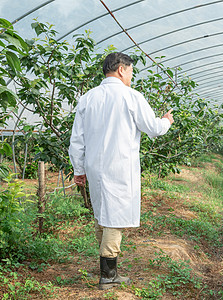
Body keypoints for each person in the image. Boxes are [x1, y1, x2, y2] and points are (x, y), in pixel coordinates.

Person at [69, 52, 174, 290]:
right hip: (119, 167)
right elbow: (154, 128)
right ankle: (108, 275)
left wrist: (79, 168)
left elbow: (77, 139)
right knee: (114, 218)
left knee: (102, 213)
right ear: (120, 70)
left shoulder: (88, 98)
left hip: (96, 167)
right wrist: (166, 120)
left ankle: (108, 269)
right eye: (131, 72)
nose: (131, 77)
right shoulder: (131, 97)